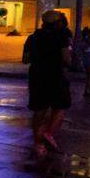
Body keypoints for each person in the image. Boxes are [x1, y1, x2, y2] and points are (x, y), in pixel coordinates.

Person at [24, 11, 72, 157]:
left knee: (39, 109)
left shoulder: (32, 37)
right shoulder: (61, 36)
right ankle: (49, 132)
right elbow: (66, 58)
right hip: (55, 74)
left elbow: (25, 59)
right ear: (58, 23)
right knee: (61, 106)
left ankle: (37, 143)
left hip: (37, 75)